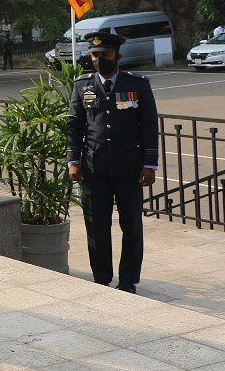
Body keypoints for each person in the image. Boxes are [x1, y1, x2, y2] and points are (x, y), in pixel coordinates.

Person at [68, 31, 159, 294]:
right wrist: (73, 160)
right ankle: (102, 277)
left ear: (117, 55)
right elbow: (75, 126)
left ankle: (128, 279)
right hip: (94, 167)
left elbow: (149, 126)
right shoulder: (81, 86)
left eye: (104, 55)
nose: (99, 60)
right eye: (95, 55)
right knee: (96, 224)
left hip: (129, 166)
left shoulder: (137, 85)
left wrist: (149, 164)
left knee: (131, 224)